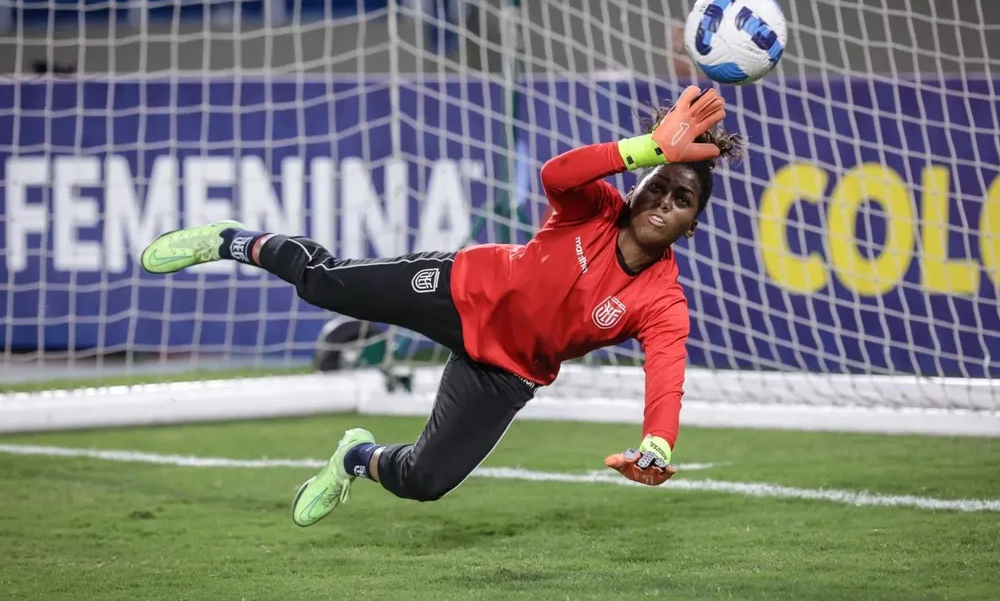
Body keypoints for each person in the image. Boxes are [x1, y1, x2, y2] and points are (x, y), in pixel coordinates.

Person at [140, 86, 743, 527]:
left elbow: (667, 374)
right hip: (462, 289)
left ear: (691, 224)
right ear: (637, 184)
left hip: (508, 372)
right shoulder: (594, 206)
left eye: (683, 197)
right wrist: (646, 147)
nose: (665, 198)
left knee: (425, 481)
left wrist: (658, 446)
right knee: (326, 284)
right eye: (658, 182)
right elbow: (556, 172)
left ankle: (354, 456)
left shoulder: (663, 301)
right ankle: (232, 240)